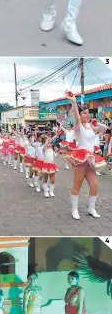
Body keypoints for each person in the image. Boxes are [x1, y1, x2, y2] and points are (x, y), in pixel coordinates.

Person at [64, 91, 106, 220]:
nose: (87, 115)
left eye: (88, 113)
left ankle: (91, 208)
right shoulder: (78, 127)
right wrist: (73, 102)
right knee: (78, 184)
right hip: (81, 157)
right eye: (85, 113)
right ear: (80, 115)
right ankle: (74, 209)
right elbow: (76, 115)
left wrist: (96, 124)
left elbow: (105, 129)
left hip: (90, 159)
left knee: (95, 185)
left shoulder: (89, 126)